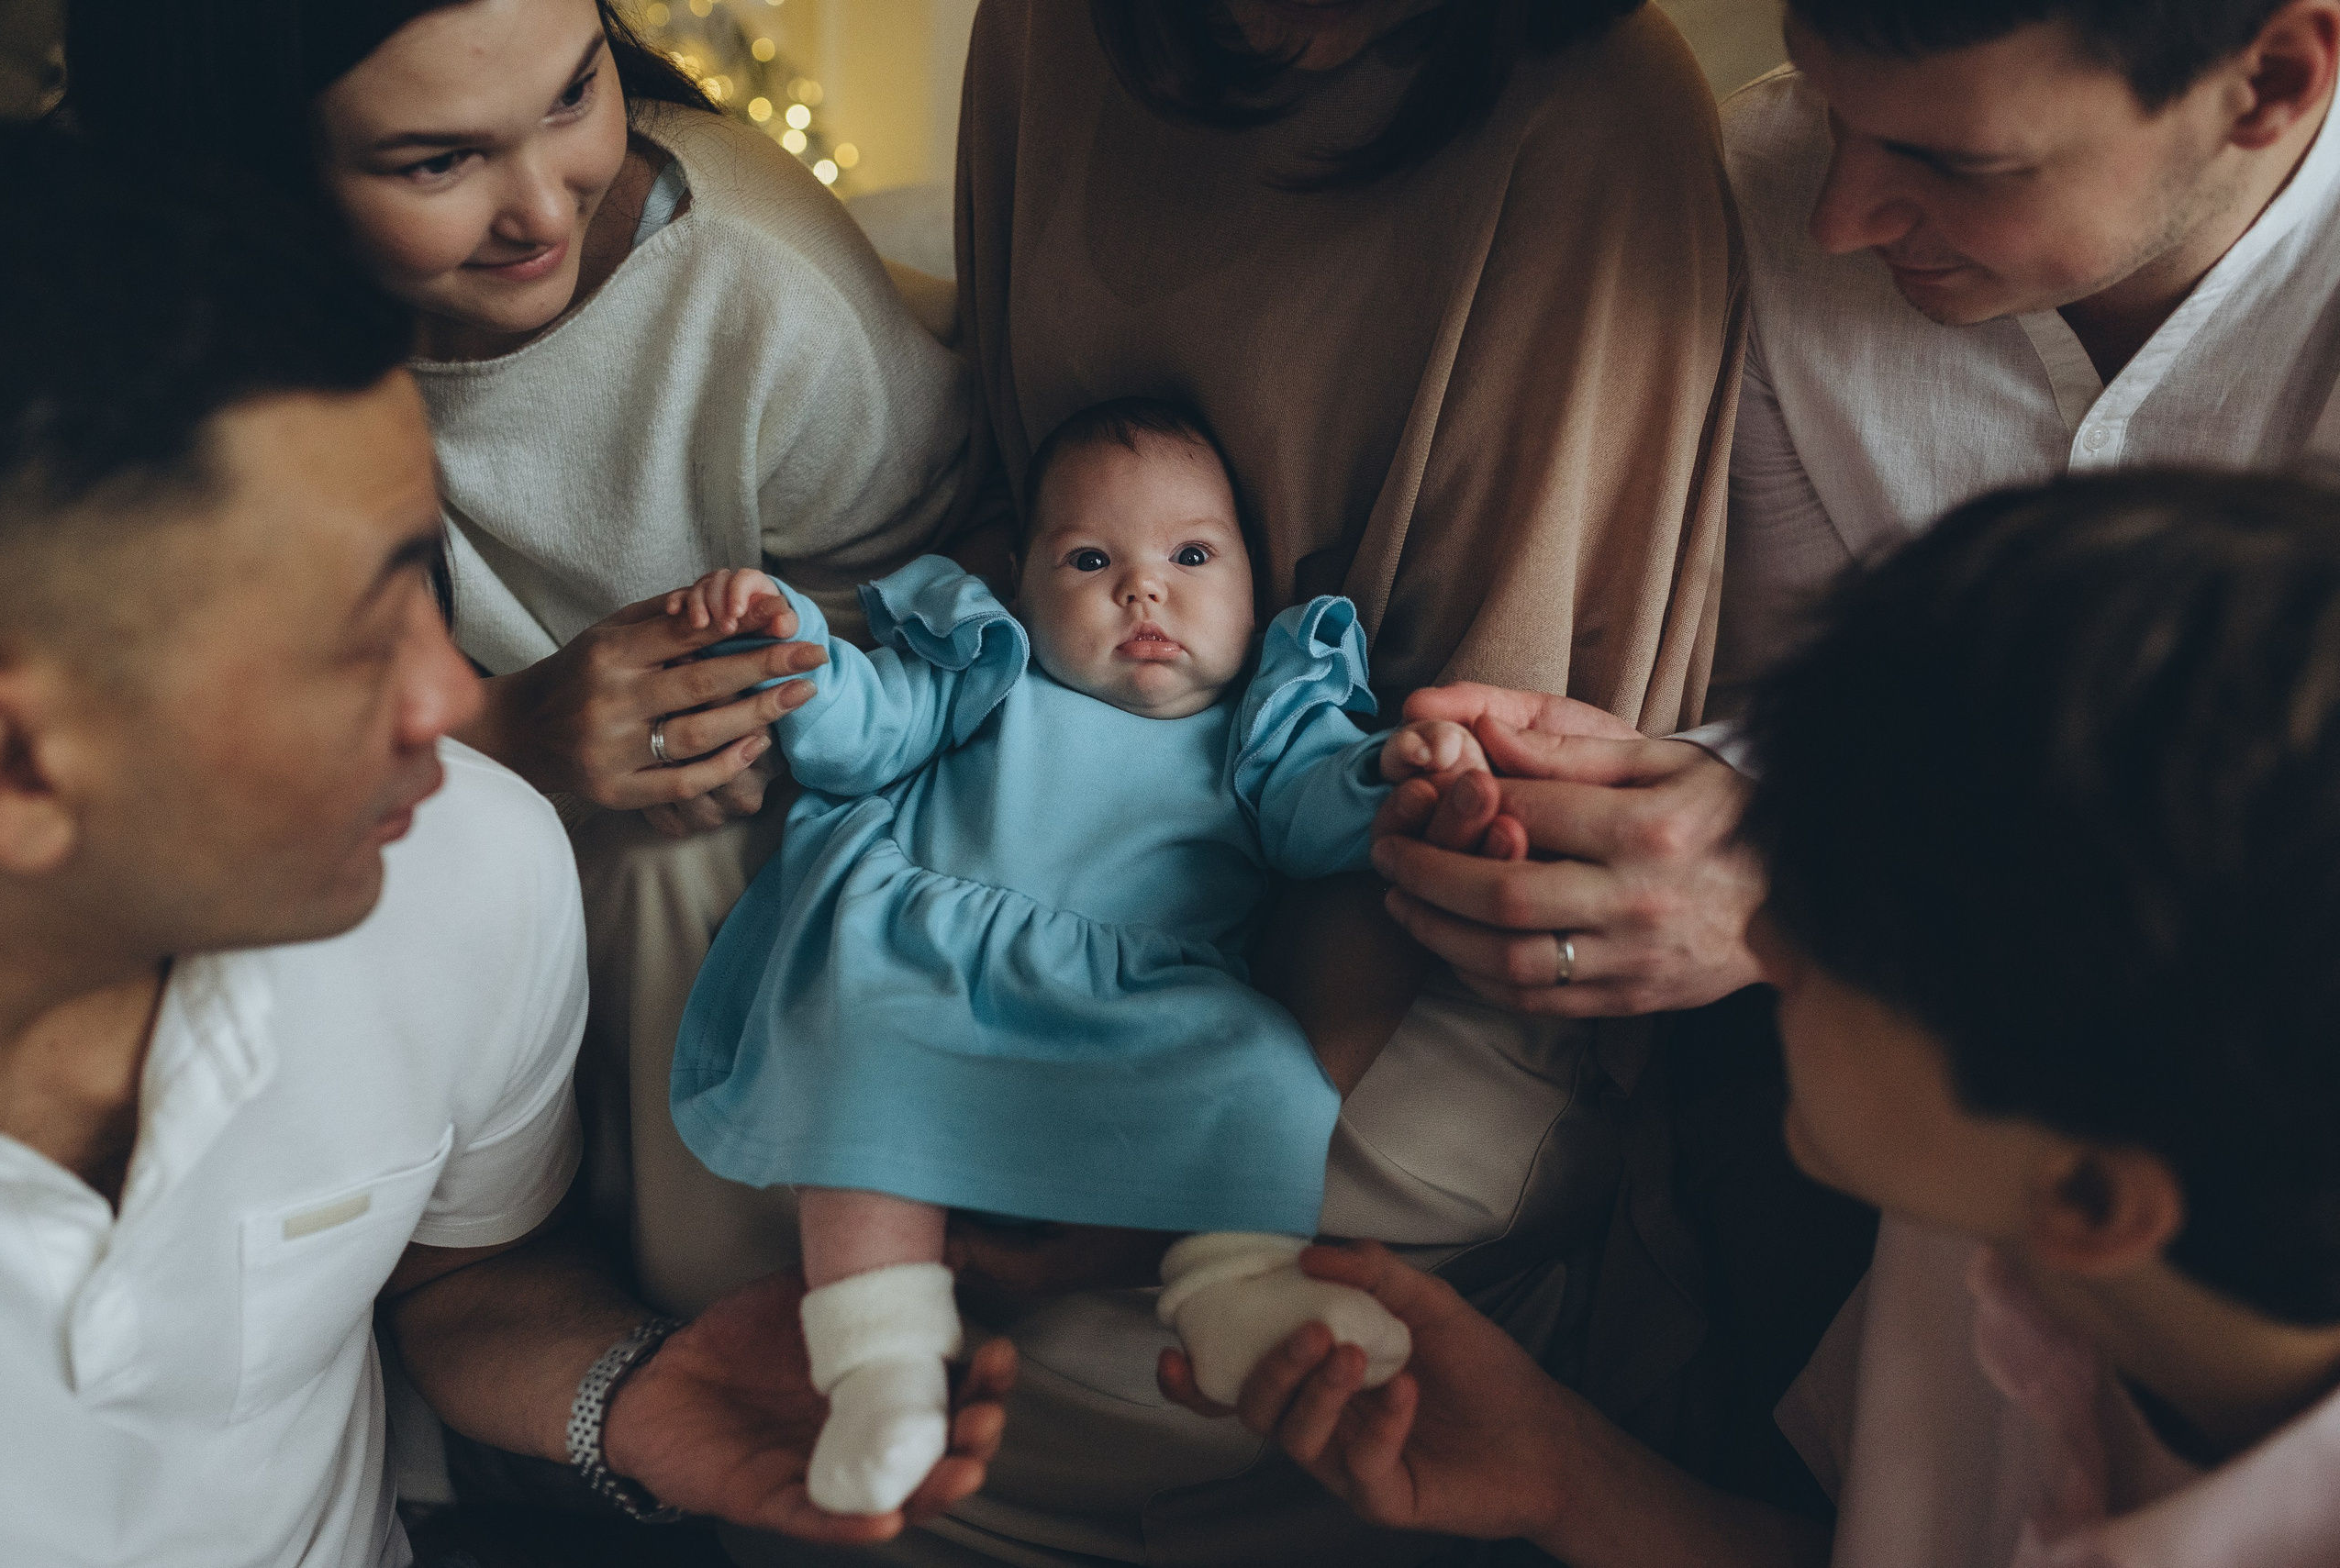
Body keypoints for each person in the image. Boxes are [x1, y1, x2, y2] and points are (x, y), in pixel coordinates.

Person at [778, 3, 1741, 1561]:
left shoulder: (1593, 120)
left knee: (1118, 1366)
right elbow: (1011, 523)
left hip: (1403, 927)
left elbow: (1454, 812)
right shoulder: (1046, 30)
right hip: (1034, 837)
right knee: (757, 1071)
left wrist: (1163, 1162)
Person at [0, 126, 1011, 1567]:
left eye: (427, 580)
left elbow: (459, 1277)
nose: (455, 700)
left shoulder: (463, 863)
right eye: (354, 648)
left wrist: (634, 1396)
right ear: (18, 762)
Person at [1176, 468, 2340, 1567]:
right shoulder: (2014, 1192)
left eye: (1823, 929)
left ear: (2090, 1199)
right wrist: (1563, 1469)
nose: (1759, 938)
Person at [61, 0, 979, 1312]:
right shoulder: (143, 342)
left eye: (572, 93)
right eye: (438, 161)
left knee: (675, 866)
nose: (544, 205)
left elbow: (951, 598)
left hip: (777, 824)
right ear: (253, 159)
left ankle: (740, 1348)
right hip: (414, 827)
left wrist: (767, 708)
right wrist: (508, 734)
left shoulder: (751, 289)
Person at [1376, 0, 2340, 1023]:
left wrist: (1821, 882)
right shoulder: (1760, 183)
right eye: (1835, 112)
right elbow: (1807, 701)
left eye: (1956, 163)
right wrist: (1639, 794)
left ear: (2269, 82)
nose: (1839, 221)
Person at [665, 400, 1494, 1514]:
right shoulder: (990, 667)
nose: (1142, 589)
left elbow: (1320, 816)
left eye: (1191, 555)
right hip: (929, 962)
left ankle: (1238, 1286)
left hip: (1153, 990)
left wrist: (1403, 773)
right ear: (1024, 586)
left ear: (1257, 587)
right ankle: (880, 1360)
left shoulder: (1264, 720)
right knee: (858, 1058)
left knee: (1264, 1066)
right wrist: (789, 641)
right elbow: (863, 730)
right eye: (1091, 557)